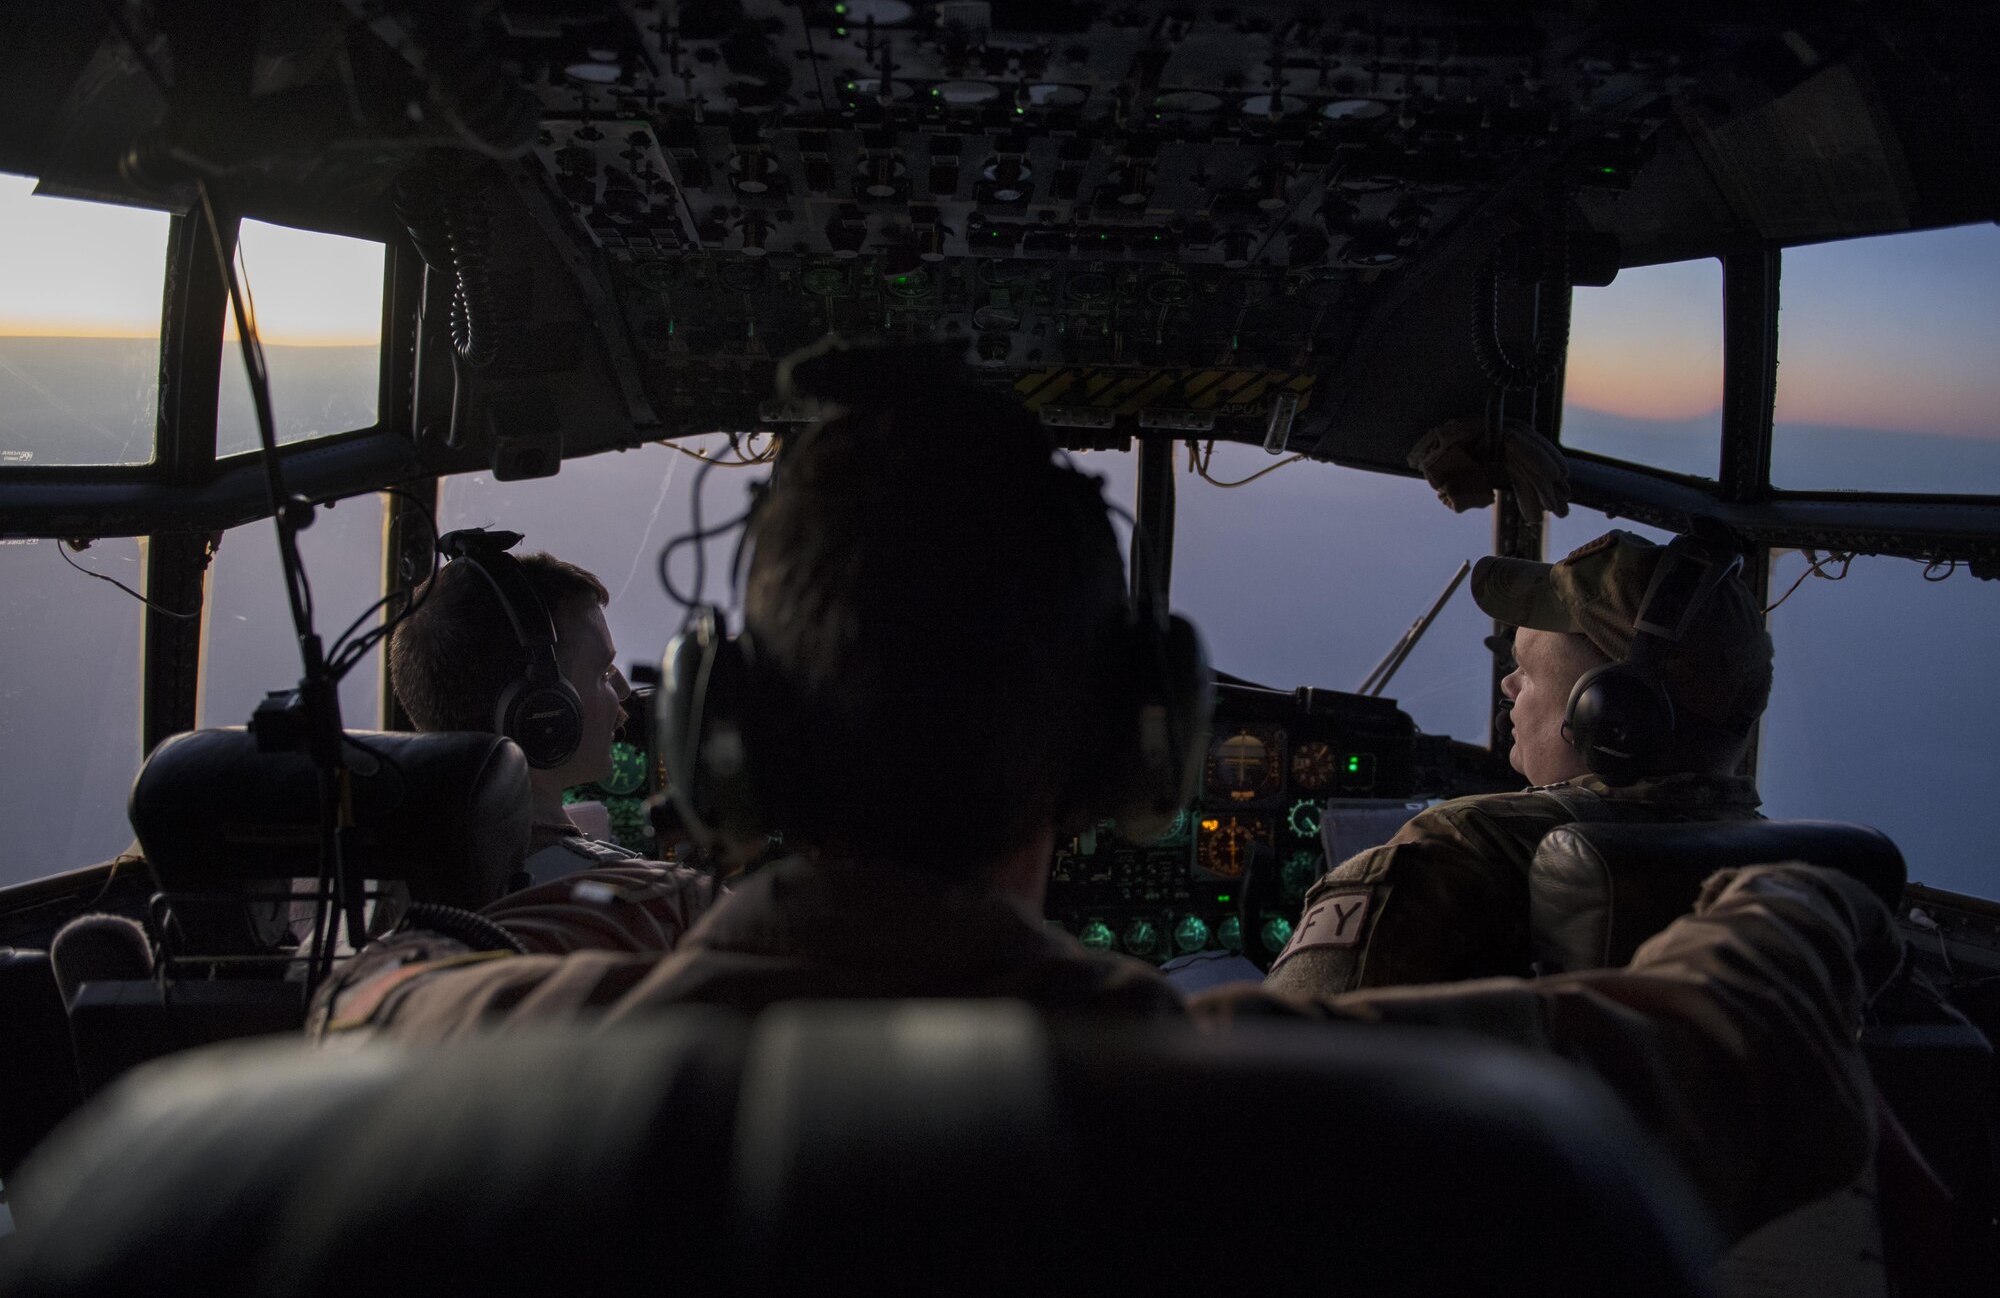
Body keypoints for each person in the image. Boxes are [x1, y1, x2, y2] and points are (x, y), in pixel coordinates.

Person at [314, 354, 1894, 1242]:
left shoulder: (443, 1060)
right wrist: (1788, 885)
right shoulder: (1377, 1129)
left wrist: (637, 917)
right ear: (1136, 752)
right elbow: (1741, 1056)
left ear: (725, 739)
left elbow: (375, 986)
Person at [1264, 528, 1772, 999]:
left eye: (1525, 672)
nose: (1507, 688)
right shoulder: (1783, 868)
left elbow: (1273, 1066)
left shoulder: (1464, 846)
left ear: (1609, 716)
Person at [387, 539, 721, 950]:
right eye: (602, 672)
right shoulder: (663, 906)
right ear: (542, 711)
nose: (623, 696)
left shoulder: (373, 904)